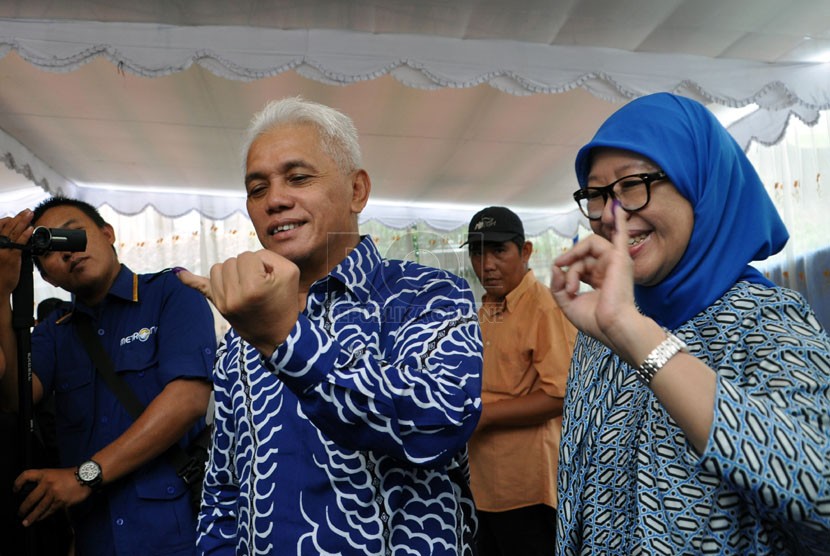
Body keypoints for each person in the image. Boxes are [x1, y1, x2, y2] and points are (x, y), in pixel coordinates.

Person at [176, 96, 483, 555]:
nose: (275, 200)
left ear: (357, 190)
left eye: (298, 178)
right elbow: (225, 487)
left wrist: (286, 340)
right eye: (257, 189)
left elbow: (439, 422)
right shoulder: (245, 331)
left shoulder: (424, 295)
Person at [550, 92, 830, 555]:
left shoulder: (766, 322)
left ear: (700, 185)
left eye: (633, 184)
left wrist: (636, 335)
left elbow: (820, 495)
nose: (611, 215)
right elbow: (579, 501)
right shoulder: (600, 335)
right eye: (597, 194)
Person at [0, 197, 217, 556]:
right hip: (94, 535)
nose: (67, 252)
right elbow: (15, 398)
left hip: (173, 530)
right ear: (46, 275)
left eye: (73, 235)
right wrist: (1, 293)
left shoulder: (171, 294)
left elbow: (188, 400)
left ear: (107, 233)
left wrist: (85, 475)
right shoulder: (54, 331)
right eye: (52, 250)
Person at [464, 206, 576, 556]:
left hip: (528, 488)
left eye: (499, 251)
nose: (487, 265)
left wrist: (486, 416)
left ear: (525, 251)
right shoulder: (486, 310)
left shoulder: (544, 307)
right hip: (483, 485)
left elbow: (560, 395)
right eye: (478, 253)